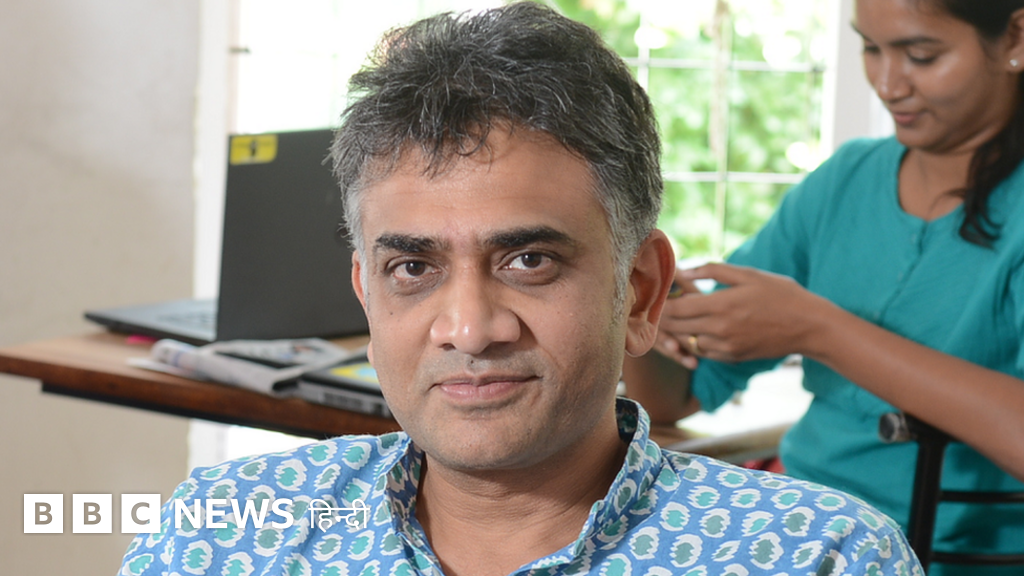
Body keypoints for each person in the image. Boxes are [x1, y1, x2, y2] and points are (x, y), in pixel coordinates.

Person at [118, 4, 922, 575]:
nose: (470, 329)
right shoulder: (222, 536)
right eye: (413, 269)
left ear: (641, 293)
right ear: (367, 294)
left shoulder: (819, 558)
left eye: (529, 260)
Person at [624, 0, 1024, 574]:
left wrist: (818, 330)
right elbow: (677, 396)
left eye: (921, 55)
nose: (888, 84)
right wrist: (639, 304)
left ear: (1015, 37)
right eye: (870, 48)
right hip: (801, 534)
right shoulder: (846, 180)